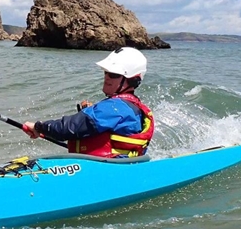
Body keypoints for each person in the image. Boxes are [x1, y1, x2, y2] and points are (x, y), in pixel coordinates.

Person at [22, 47, 154, 157]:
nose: (107, 77)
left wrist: (38, 127)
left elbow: (68, 128)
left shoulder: (115, 108)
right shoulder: (129, 106)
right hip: (118, 165)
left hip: (107, 170)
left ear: (132, 80)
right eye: (106, 72)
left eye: (113, 74)